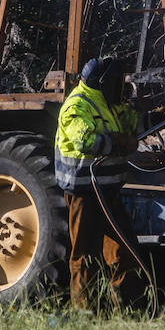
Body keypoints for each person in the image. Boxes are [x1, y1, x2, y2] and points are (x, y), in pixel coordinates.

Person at [54, 56, 144, 309]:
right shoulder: (77, 105)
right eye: (117, 81)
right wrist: (117, 143)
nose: (121, 86)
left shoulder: (107, 104)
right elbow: (85, 141)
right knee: (85, 258)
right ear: (104, 82)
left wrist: (164, 116)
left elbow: (133, 123)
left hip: (107, 192)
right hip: (84, 194)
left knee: (124, 254)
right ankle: (86, 315)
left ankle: (128, 312)